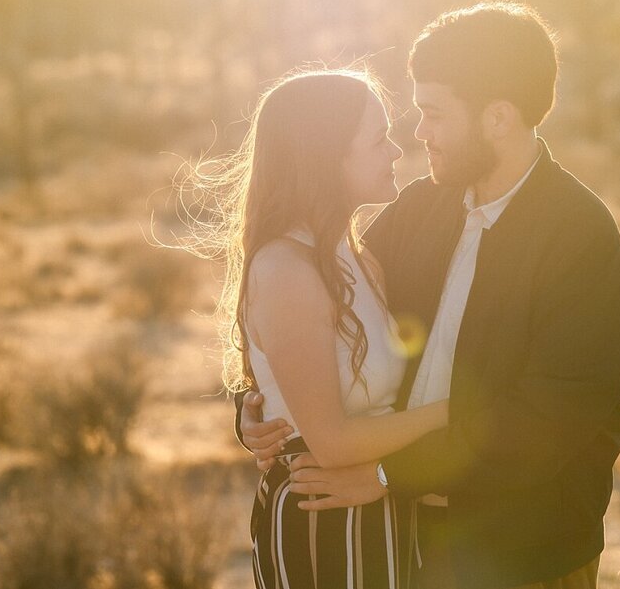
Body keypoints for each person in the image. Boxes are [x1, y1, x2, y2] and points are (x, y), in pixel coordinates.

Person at [240, 2, 620, 589]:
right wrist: (263, 408)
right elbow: (325, 320)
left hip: (521, 553)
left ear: (498, 118)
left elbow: (552, 422)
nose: (417, 133)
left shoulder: (580, 237)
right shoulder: (418, 209)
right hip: (400, 542)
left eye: (433, 113)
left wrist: (387, 473)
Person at [188, 69, 450, 589]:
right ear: (326, 159)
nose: (396, 151)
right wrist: (449, 412)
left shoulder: (357, 256)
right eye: (378, 139)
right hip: (323, 516)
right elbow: (329, 442)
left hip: (376, 508)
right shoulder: (287, 270)